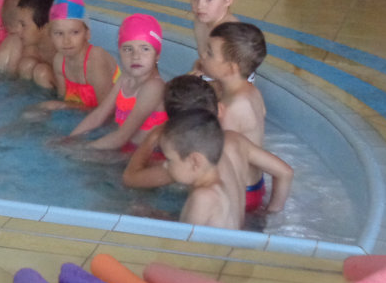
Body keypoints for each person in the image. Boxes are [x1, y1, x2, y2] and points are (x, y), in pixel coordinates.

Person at [123, 75, 293, 219]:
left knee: (139, 209)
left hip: (218, 213)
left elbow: (130, 178)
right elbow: (285, 172)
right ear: (219, 108)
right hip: (250, 202)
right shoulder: (235, 139)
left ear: (175, 125)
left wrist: (152, 138)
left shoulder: (191, 159)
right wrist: (270, 213)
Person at [69, 14, 166, 149]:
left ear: (157, 55)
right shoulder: (125, 78)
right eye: (128, 49)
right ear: (119, 52)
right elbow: (99, 115)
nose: (135, 56)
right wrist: (69, 139)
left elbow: (122, 136)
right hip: (123, 148)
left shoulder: (154, 87)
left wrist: (82, 149)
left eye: (145, 49)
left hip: (148, 155)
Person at [201, 21, 269, 210]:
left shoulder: (232, 108)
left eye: (209, 53)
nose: (203, 56)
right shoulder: (251, 92)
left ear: (231, 68)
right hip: (255, 186)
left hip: (239, 194)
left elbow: (216, 159)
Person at [160, 109, 241, 229]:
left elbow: (184, 239)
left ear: (195, 161)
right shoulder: (214, 187)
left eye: (169, 159)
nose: (164, 165)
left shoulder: (203, 198)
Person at [39, 0, 117, 111]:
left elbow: (108, 112)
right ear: (50, 36)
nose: (66, 41)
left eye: (75, 32)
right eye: (59, 33)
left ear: (87, 33)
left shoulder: (95, 61)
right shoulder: (59, 61)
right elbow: (63, 100)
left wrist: (62, 106)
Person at [0, 0, 57, 89]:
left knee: (42, 72)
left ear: (45, 27)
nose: (18, 30)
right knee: (26, 65)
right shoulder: (21, 42)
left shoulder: (64, 47)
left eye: (23, 25)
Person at [187, 0, 237, 75]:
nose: (200, 6)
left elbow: (233, 77)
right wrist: (199, 66)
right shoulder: (200, 20)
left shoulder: (230, 33)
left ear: (228, 0)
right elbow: (205, 59)